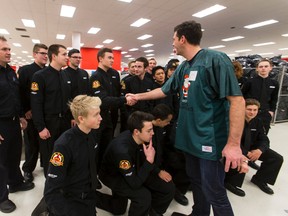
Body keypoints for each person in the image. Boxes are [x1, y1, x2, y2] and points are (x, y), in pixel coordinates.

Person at [126, 20, 245, 216]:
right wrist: (137, 96)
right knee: (196, 182)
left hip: (210, 140)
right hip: (190, 140)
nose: (172, 43)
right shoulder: (183, 67)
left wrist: (233, 144)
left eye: (173, 39)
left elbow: (237, 101)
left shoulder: (216, 59)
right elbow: (164, 90)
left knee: (215, 190)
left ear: (183, 39)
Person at [99, 111, 175, 216]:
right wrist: (149, 162)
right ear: (136, 132)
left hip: (134, 167)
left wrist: (157, 171)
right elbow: (134, 183)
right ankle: (90, 195)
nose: (152, 133)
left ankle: (154, 213)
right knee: (141, 198)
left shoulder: (141, 137)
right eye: (149, 130)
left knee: (168, 187)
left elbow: (142, 158)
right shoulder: (122, 151)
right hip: (114, 176)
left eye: (152, 129)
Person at [44, 95, 102, 216]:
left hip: (89, 196)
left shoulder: (92, 134)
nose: (100, 118)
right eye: (96, 115)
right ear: (81, 119)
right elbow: (51, 192)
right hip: (71, 202)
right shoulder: (63, 145)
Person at [0, 36, 34, 214]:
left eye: (9, 49)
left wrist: (21, 116)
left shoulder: (11, 72)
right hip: (1, 124)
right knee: (1, 162)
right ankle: (2, 198)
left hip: (13, 122)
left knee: (14, 156)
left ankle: (15, 183)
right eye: (4, 49)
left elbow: (15, 97)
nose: (8, 52)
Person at [225, 99, 283, 196]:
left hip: (252, 148)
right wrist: (245, 153)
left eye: (255, 110)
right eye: (249, 109)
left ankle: (260, 179)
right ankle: (230, 182)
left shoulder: (258, 121)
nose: (252, 112)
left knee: (276, 158)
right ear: (243, 109)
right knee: (241, 158)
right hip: (237, 148)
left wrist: (260, 150)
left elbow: (264, 139)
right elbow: (229, 140)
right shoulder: (234, 121)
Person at [31, 44, 69, 176]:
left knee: (62, 155)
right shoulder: (40, 76)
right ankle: (50, 191)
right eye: (64, 54)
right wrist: (41, 127)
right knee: (49, 157)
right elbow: (36, 104)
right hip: (49, 123)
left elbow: (67, 100)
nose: (67, 57)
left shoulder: (64, 75)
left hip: (64, 122)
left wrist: (72, 118)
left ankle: (62, 185)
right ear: (54, 56)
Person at [89, 47, 128, 172]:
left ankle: (104, 171)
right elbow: (102, 100)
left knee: (108, 145)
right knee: (97, 147)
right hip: (100, 118)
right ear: (100, 58)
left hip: (113, 116)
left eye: (113, 58)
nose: (112, 60)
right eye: (109, 57)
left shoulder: (115, 74)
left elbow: (117, 94)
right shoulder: (95, 77)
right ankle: (95, 173)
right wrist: (124, 100)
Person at [18, 43, 48, 183]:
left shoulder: (49, 71)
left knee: (45, 141)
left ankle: (44, 164)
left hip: (45, 114)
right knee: (31, 143)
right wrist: (25, 111)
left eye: (46, 53)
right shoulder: (25, 70)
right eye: (42, 53)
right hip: (30, 113)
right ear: (34, 54)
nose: (45, 56)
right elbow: (21, 93)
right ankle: (28, 170)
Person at [242, 58, 279, 134]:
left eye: (266, 66)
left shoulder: (274, 83)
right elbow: (242, 96)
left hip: (265, 113)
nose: (263, 68)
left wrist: (271, 111)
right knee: (247, 134)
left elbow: (274, 98)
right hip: (250, 113)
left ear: (270, 68)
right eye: (261, 67)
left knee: (263, 134)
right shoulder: (249, 82)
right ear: (257, 69)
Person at [62, 48, 89, 129]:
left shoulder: (84, 73)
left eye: (79, 57)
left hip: (84, 112)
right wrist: (72, 116)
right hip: (69, 115)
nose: (78, 59)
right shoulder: (63, 74)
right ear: (69, 58)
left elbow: (87, 93)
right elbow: (65, 97)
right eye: (75, 57)